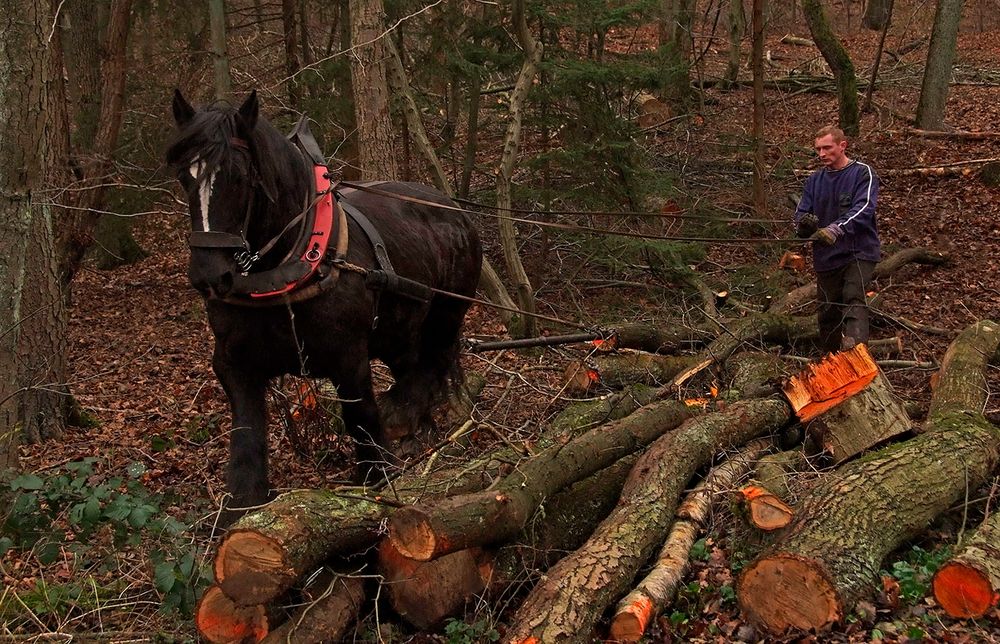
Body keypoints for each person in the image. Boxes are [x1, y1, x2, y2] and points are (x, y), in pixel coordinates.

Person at [794, 126, 880, 353]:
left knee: (853, 298)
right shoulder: (814, 181)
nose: (821, 154)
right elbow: (801, 213)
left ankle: (857, 354)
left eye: (827, 148)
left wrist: (836, 229)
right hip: (826, 257)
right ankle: (830, 361)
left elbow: (864, 208)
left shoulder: (863, 173)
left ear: (843, 146)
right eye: (818, 149)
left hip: (858, 251)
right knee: (827, 312)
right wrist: (805, 225)